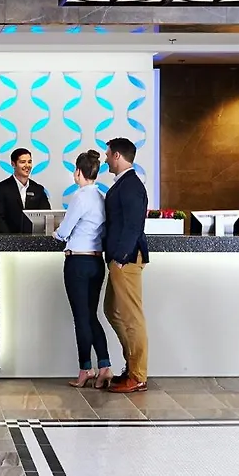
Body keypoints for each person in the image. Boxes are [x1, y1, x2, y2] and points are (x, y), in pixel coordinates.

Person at [53, 150, 111, 389]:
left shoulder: (79, 196)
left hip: (77, 262)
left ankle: (85, 369)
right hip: (97, 262)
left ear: (78, 171)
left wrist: (57, 233)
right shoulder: (101, 196)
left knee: (81, 318)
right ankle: (105, 366)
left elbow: (64, 231)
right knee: (91, 315)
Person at [101, 138, 150, 393]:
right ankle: (132, 367)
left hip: (126, 260)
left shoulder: (131, 185)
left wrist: (120, 258)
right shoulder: (124, 183)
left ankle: (138, 375)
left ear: (117, 156)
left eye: (108, 154)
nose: (105, 159)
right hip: (120, 259)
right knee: (112, 310)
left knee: (131, 317)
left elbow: (133, 225)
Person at [0, 148, 51, 233]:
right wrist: (9, 239)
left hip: (34, 239)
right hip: (8, 239)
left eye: (29, 162)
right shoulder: (1, 188)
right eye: (22, 162)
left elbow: (46, 216)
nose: (27, 165)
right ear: (13, 164)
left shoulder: (38, 189)